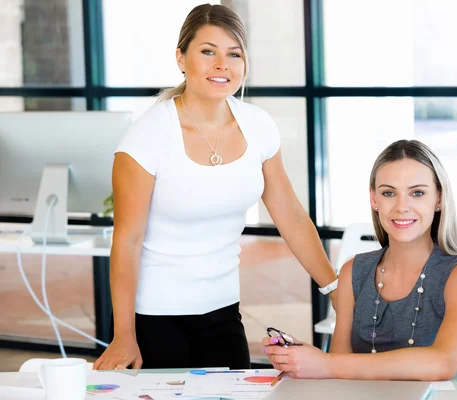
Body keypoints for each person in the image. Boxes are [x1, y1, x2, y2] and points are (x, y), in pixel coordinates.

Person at [93, 4, 338, 371]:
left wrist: (333, 289)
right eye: (208, 51)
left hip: (223, 312)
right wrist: (123, 334)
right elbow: (126, 241)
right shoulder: (147, 135)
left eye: (234, 54)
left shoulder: (259, 126)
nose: (222, 65)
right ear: (181, 57)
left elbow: (290, 215)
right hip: (154, 316)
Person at [263, 139, 457, 381]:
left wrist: (324, 364)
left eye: (417, 193)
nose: (402, 207)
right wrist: (303, 360)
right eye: (389, 193)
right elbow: (340, 372)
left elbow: (444, 364)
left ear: (439, 199)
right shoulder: (353, 271)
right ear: (374, 200)